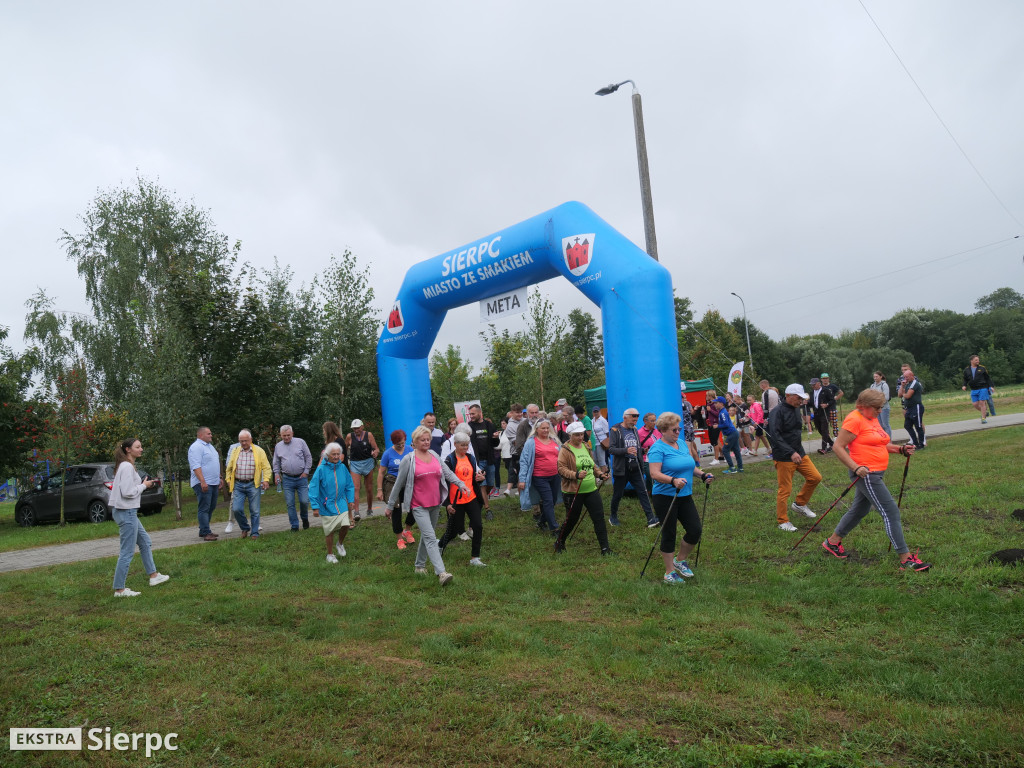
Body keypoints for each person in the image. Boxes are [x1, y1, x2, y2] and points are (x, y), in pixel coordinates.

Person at [822, 389, 931, 572]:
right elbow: (838, 447)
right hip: (866, 474)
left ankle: (832, 542)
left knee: (859, 510)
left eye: (881, 407)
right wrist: (856, 468)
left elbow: (878, 443)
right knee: (891, 512)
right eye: (877, 408)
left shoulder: (871, 418)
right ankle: (906, 560)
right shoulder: (854, 419)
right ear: (863, 406)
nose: (880, 411)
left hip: (876, 472)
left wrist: (899, 449)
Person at [386, 425, 469, 585]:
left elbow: (447, 473)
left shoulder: (434, 455)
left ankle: (419, 566)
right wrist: (390, 505)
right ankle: (442, 573)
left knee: (426, 535)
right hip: (418, 505)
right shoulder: (408, 459)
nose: (426, 442)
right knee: (431, 537)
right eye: (422, 440)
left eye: (428, 439)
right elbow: (398, 484)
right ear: (415, 442)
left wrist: (460, 484)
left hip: (435, 503)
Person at [647, 412, 714, 585]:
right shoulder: (657, 448)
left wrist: (703, 475)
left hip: (684, 495)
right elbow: (654, 473)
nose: (678, 431)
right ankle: (669, 572)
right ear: (663, 430)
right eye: (674, 429)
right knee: (669, 533)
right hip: (665, 496)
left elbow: (689, 466)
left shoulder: (682, 444)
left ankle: (680, 560)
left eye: (679, 428)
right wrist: (672, 480)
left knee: (695, 530)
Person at [109, 438, 170, 597]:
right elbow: (128, 491)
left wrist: (142, 484)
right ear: (128, 449)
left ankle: (154, 576)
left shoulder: (125, 465)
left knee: (145, 541)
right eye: (138, 447)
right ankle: (119, 589)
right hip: (126, 512)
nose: (141, 449)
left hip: (126, 511)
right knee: (127, 551)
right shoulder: (127, 466)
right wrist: (145, 486)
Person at [768, 384, 821, 532]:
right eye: (799, 398)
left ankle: (800, 504)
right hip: (784, 456)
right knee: (785, 489)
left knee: (815, 477)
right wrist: (791, 452)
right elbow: (774, 436)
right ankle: (783, 521)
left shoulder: (796, 409)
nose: (801, 401)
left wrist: (797, 451)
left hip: (799, 453)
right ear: (789, 395)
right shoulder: (777, 412)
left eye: (802, 398)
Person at [554, 421, 612, 555]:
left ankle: (605, 549)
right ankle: (560, 541)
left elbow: (592, 465)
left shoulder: (586, 446)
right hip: (573, 491)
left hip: (591, 489)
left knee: (599, 518)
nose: (581, 437)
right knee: (572, 519)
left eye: (582, 434)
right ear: (570, 435)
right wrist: (575, 475)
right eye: (577, 435)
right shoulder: (565, 450)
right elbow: (561, 469)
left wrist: (600, 474)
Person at [439, 431, 488, 567]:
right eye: (462, 445)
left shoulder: (471, 458)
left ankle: (475, 558)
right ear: (455, 445)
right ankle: (439, 546)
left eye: (467, 445)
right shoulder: (449, 460)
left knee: (477, 526)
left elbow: (474, 477)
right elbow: (443, 483)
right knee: (454, 531)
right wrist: (447, 504)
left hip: (471, 498)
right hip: (456, 501)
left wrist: (480, 478)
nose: (465, 448)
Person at [608, 408, 657, 528]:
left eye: (636, 420)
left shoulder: (634, 430)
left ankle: (651, 518)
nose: (635, 422)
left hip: (635, 467)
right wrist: (626, 450)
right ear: (625, 417)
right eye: (632, 419)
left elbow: (636, 446)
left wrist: (642, 450)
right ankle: (613, 516)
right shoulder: (615, 430)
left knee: (643, 492)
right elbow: (611, 449)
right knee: (618, 494)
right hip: (622, 468)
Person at [309, 442, 356, 564]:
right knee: (329, 530)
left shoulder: (343, 468)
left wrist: (350, 500)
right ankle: (330, 554)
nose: (336, 457)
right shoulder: (321, 469)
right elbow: (313, 487)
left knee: (346, 524)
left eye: (338, 454)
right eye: (333, 454)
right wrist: (315, 507)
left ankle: (340, 543)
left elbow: (350, 485)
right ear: (327, 455)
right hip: (326, 505)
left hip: (341, 502)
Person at [225, 429, 272, 539]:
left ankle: (254, 533)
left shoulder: (259, 451)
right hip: (238, 484)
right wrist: (228, 479)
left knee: (254, 510)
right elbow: (229, 467)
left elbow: (266, 467)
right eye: (241, 441)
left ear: (251, 440)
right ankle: (245, 527)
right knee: (236, 509)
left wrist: (265, 480)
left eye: (246, 441)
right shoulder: (235, 451)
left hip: (253, 484)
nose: (244, 443)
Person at [518, 418, 562, 533]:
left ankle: (542, 522)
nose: (546, 430)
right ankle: (554, 528)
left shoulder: (554, 440)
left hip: (555, 475)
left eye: (548, 428)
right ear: (537, 429)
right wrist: (522, 479)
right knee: (548, 500)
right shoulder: (531, 442)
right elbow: (524, 461)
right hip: (540, 476)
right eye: (543, 428)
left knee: (553, 500)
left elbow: (561, 456)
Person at [377, 429, 417, 550]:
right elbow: (381, 472)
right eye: (398, 444)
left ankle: (407, 530)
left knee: (415, 506)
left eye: (403, 443)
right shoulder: (388, 454)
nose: (401, 445)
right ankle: (399, 538)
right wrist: (379, 489)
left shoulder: (410, 450)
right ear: (393, 442)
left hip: (408, 481)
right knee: (396, 509)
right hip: (393, 482)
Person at [272, 425, 313, 531]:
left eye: (288, 435)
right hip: (287, 479)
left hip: (301, 477)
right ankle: (294, 525)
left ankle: (304, 519)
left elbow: (308, 457)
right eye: (284, 435)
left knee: (304, 501)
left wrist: (306, 472)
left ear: (292, 434)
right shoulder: (278, 446)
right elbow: (276, 462)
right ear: (280, 435)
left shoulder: (300, 442)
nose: (286, 437)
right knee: (290, 503)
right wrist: (276, 474)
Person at [188, 426, 223, 541]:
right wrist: (202, 481)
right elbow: (196, 466)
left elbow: (213, 464)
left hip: (213, 482)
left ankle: (204, 529)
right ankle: (206, 532)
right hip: (203, 483)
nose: (211, 435)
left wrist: (219, 478)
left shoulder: (210, 447)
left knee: (211, 507)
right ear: (201, 435)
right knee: (204, 507)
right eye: (208, 434)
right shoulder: (196, 447)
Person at [345, 419, 379, 521]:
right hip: (355, 464)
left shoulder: (369, 435)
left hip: (368, 462)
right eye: (354, 428)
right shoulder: (349, 436)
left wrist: (375, 452)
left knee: (369, 488)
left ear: (362, 427)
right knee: (355, 487)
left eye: (358, 428)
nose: (356, 430)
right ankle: (356, 512)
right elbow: (343, 448)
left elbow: (376, 448)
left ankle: (369, 509)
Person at [466, 403, 499, 503]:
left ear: (480, 413)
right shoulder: (469, 427)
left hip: (489, 460)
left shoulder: (489, 425)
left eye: (473, 414)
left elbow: (496, 444)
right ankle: (487, 508)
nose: (471, 416)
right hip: (477, 461)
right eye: (470, 414)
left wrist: (495, 438)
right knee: (482, 485)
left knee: (490, 484)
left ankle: (482, 499)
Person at [962, 354, 996, 423]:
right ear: (971, 361)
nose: (978, 361)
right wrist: (964, 385)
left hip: (983, 388)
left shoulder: (982, 368)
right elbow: (965, 379)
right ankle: (985, 411)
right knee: (975, 404)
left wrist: (991, 386)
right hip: (973, 389)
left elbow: (987, 378)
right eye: (976, 360)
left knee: (981, 403)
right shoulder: (967, 370)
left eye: (978, 360)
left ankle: (983, 418)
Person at [898, 369, 926, 449]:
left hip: (916, 407)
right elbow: (899, 395)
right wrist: (902, 386)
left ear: (911, 376)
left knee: (918, 426)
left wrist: (903, 393)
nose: (905, 379)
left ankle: (921, 444)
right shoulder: (907, 384)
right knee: (907, 425)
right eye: (904, 377)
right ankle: (915, 442)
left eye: (907, 377)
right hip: (909, 408)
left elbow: (907, 396)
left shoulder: (914, 383)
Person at [637, 412, 661, 495]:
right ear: (645, 421)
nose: (654, 422)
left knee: (657, 476)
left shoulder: (657, 431)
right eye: (652, 421)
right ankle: (652, 493)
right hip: (646, 459)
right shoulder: (639, 432)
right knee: (651, 476)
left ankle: (651, 492)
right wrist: (643, 450)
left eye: (655, 420)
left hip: (658, 458)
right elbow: (636, 447)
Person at [717, 398, 743, 475]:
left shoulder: (723, 413)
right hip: (734, 433)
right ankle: (740, 468)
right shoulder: (722, 411)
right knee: (736, 451)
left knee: (725, 450)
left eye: (716, 403)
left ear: (721, 404)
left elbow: (726, 424)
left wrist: (717, 426)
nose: (715, 404)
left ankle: (732, 468)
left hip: (732, 434)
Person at [809, 378, 835, 453]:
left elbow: (832, 400)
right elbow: (811, 403)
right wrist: (805, 402)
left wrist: (826, 404)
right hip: (816, 413)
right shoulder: (812, 392)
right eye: (811, 385)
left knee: (824, 430)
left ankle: (824, 448)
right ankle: (831, 443)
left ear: (818, 383)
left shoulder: (825, 390)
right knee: (820, 429)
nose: (813, 386)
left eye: (814, 384)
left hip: (824, 413)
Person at [820, 374, 844, 438]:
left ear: (828, 379)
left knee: (834, 424)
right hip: (824, 408)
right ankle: (828, 438)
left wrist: (836, 398)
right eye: (824, 378)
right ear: (821, 379)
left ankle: (836, 437)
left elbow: (841, 393)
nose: (825, 380)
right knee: (825, 424)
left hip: (832, 407)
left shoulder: (832, 386)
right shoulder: (820, 387)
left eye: (826, 378)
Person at [703, 392, 724, 465]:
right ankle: (724, 454)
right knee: (714, 442)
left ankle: (716, 459)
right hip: (710, 424)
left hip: (715, 424)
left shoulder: (715, 404)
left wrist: (710, 410)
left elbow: (718, 414)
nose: (706, 397)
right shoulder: (708, 404)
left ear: (710, 396)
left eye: (707, 395)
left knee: (715, 442)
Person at [869, 372, 892, 437]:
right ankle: (883, 439)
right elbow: (870, 395)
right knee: (879, 425)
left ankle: (889, 440)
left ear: (881, 376)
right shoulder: (872, 386)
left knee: (885, 424)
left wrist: (878, 403)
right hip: (876, 408)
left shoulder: (884, 385)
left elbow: (886, 397)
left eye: (877, 376)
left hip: (884, 408)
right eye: (874, 377)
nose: (875, 378)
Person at [499, 419, 516, 496]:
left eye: (504, 423)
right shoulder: (501, 433)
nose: (503, 425)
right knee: (510, 470)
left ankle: (509, 489)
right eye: (502, 423)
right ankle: (515, 484)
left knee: (511, 471)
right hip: (505, 456)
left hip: (511, 455)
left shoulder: (511, 432)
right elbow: (499, 445)